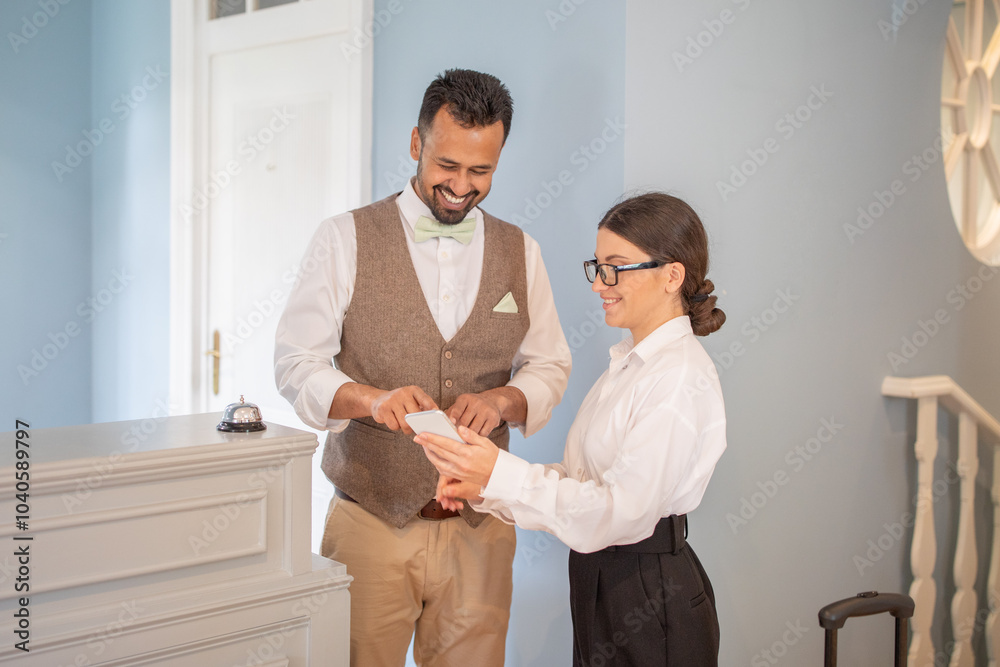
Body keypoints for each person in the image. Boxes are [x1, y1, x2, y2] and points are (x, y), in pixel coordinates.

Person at [273, 68, 572, 666]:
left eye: (480, 171)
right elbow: (295, 365)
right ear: (416, 145)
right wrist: (371, 400)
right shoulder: (344, 238)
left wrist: (503, 402)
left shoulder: (522, 250)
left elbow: (549, 365)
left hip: (483, 527)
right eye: (447, 166)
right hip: (371, 522)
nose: (461, 186)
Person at [417, 192, 727, 665]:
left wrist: (500, 473)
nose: (600, 283)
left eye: (617, 267)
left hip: (647, 588)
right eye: (598, 266)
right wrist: (486, 485)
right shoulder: (628, 365)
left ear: (672, 275)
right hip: (603, 577)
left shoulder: (678, 377)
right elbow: (584, 483)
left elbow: (621, 513)